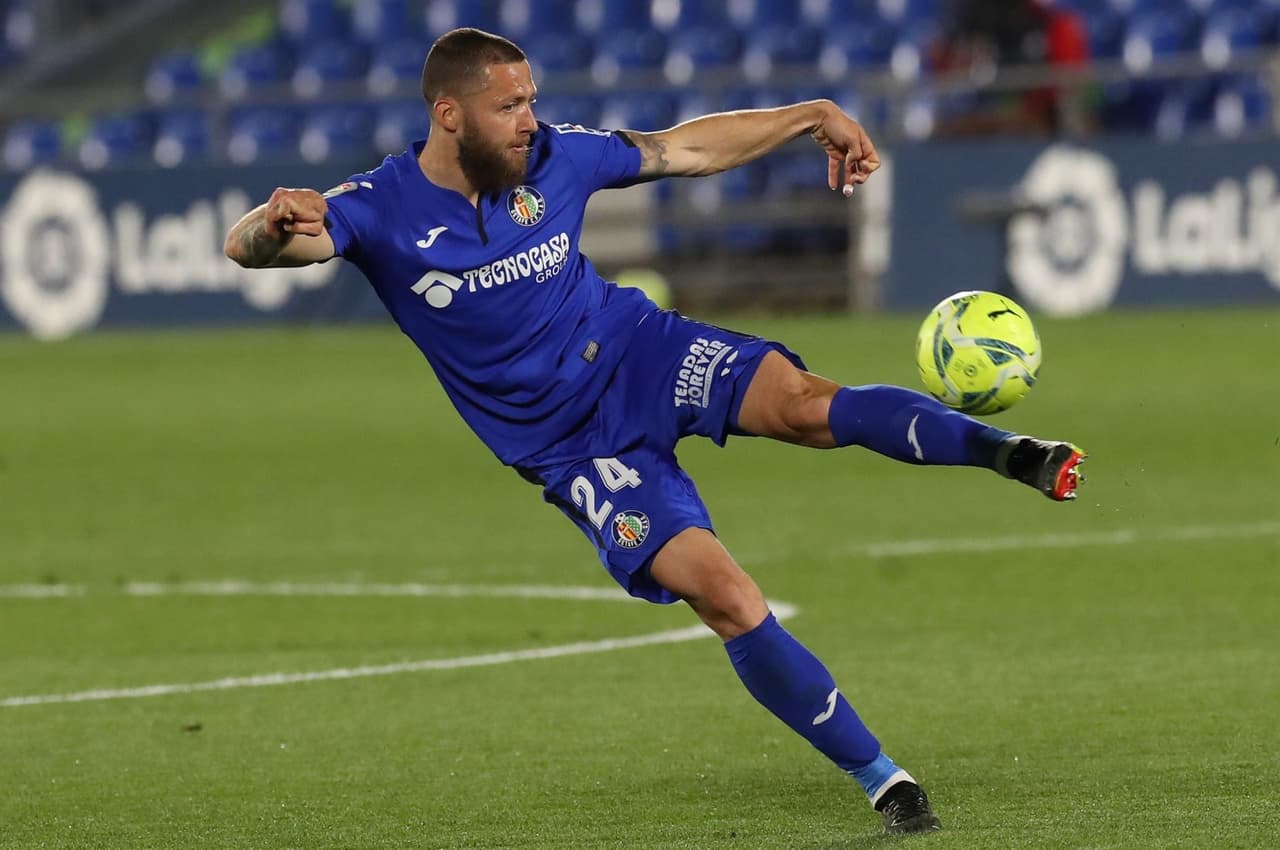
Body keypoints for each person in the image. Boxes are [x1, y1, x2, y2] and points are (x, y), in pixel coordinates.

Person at [224, 28, 1086, 836]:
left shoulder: (557, 157)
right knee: (727, 597)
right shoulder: (378, 206)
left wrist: (811, 117)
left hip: (641, 350)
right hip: (573, 448)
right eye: (508, 106)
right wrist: (270, 224)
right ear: (449, 114)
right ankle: (884, 778)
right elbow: (263, 248)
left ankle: (1010, 452)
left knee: (806, 406)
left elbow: (686, 148)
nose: (528, 120)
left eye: (530, 100)